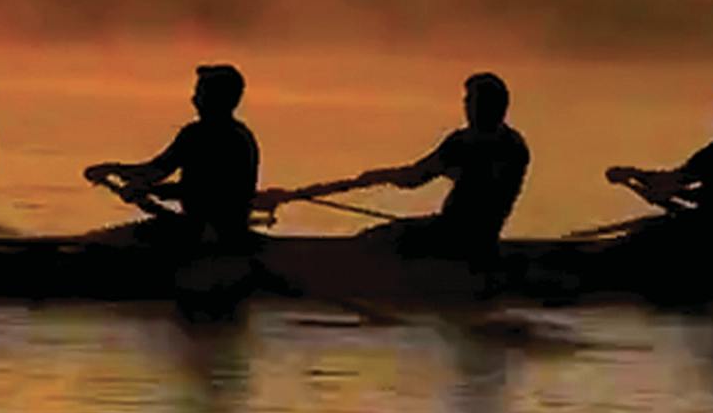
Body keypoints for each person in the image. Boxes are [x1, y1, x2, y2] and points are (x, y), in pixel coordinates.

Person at [263, 69, 530, 271]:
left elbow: (413, 179)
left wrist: (376, 177)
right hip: (484, 241)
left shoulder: (465, 143)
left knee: (370, 241)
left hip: (449, 237)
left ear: (490, 106)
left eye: (472, 101)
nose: (467, 107)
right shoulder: (516, 144)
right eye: (468, 100)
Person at [599, 80, 713, 305]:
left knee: (641, 237)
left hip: (704, 243)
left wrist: (631, 174)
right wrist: (642, 179)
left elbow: (671, 182)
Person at [85, 62, 262, 249]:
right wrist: (114, 169)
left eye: (200, 93)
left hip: (210, 233)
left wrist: (149, 190)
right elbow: (157, 169)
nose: (193, 100)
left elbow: (203, 190)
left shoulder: (219, 138)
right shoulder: (217, 134)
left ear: (218, 98)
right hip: (208, 228)